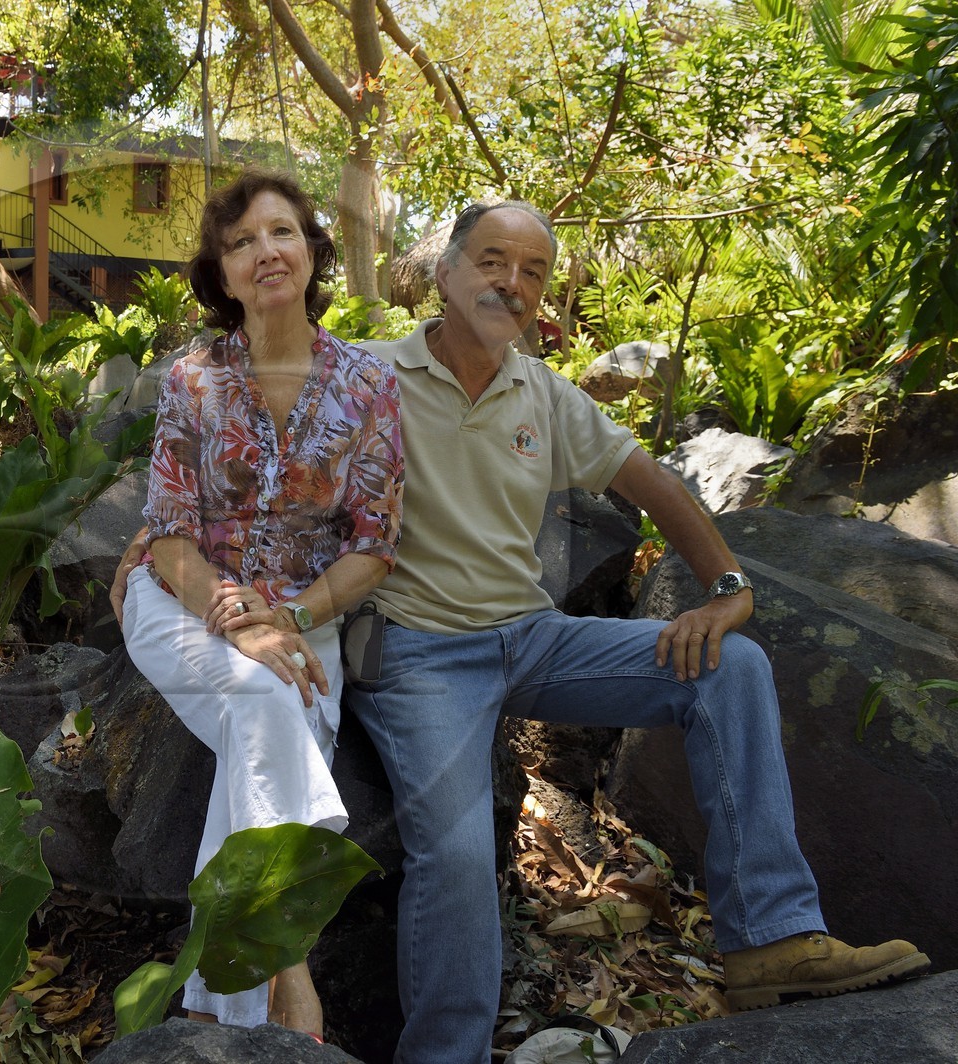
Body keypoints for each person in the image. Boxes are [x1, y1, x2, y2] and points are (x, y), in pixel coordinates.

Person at [338, 200, 930, 1063]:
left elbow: (659, 488)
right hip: (420, 653)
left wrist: (727, 587)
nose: (512, 281)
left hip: (532, 637)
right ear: (445, 274)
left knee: (731, 669)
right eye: (493, 259)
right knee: (457, 857)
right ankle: (443, 1054)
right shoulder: (365, 377)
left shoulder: (541, 393)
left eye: (533, 270)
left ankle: (769, 940)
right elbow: (262, 467)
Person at [116, 169, 404, 1039]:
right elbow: (169, 536)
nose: (263, 253)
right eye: (239, 242)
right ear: (223, 272)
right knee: (269, 692)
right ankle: (290, 970)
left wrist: (293, 617)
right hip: (177, 596)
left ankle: (221, 1013)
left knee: (273, 702)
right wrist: (239, 621)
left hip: (302, 611)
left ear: (312, 253)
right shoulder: (192, 378)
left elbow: (373, 546)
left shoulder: (366, 382)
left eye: (280, 233)